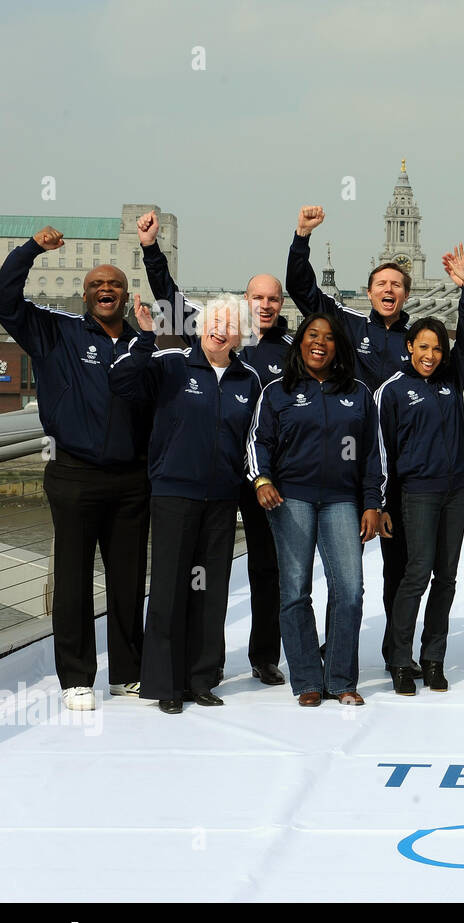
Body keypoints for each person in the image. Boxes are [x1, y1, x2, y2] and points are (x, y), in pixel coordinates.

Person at [0, 226, 151, 711]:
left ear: (126, 296)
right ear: (84, 295)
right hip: (74, 474)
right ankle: (76, 676)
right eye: (96, 286)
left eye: (114, 286)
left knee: (129, 579)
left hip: (131, 478)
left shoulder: (143, 342)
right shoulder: (55, 330)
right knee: (73, 578)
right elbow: (5, 299)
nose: (105, 291)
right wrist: (32, 250)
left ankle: (128, 673)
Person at [137, 209, 291, 686]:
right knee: (196, 575)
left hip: (265, 476)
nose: (264, 305)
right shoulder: (216, 339)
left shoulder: (292, 348)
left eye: (272, 298)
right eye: (257, 297)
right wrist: (150, 250)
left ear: (279, 302)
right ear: (246, 302)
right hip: (215, 476)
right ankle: (189, 669)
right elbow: (173, 300)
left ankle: (264, 656)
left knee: (268, 568)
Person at [109, 296, 261, 713]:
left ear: (240, 336)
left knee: (208, 590)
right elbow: (121, 382)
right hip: (175, 493)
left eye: (231, 325)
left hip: (222, 499)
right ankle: (165, 683)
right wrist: (144, 337)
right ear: (203, 325)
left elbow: (253, 438)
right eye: (216, 321)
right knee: (170, 589)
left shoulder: (247, 380)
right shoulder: (172, 362)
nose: (220, 329)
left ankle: (201, 677)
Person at [287, 204, 412, 677]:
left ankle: (396, 653)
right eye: (381, 284)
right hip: (354, 472)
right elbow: (303, 290)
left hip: (403, 472)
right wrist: (302, 237)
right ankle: (336, 653)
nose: (388, 290)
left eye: (397, 285)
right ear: (369, 291)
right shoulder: (348, 325)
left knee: (399, 573)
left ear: (405, 294)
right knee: (345, 577)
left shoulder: (419, 338)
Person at [247, 312, 383, 706]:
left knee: (350, 592)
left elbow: (373, 454)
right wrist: (262, 479)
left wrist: (373, 502)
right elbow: (259, 442)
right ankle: (307, 679)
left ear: (338, 345)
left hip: (342, 499)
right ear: (300, 342)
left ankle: (340, 680)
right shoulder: (277, 390)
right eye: (311, 335)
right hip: (292, 499)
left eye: (328, 337)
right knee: (294, 591)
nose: (319, 343)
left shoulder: (358, 392)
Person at [374, 244, 464, 694]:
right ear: (410, 347)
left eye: (437, 349)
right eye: (423, 347)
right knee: (415, 575)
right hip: (415, 494)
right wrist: (382, 504)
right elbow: (382, 455)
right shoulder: (394, 390)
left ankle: (433, 658)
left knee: (447, 577)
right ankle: (400, 660)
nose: (431, 356)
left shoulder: (451, 380)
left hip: (456, 491)